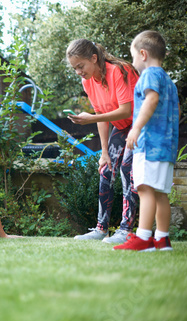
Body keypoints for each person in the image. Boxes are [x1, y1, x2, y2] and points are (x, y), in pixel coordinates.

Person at [66, 39, 140, 244]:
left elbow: (126, 110)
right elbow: (101, 114)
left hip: (140, 125)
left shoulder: (118, 71)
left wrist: (90, 118)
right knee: (106, 169)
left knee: (127, 169)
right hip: (122, 126)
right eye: (75, 68)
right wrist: (104, 152)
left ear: (94, 58)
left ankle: (126, 230)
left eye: (81, 66)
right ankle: (101, 229)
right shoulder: (87, 81)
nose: (78, 71)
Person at [114, 31, 179, 251]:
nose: (132, 63)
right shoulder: (169, 81)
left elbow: (151, 99)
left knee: (145, 189)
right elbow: (176, 113)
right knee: (160, 192)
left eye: (132, 57)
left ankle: (143, 237)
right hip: (166, 147)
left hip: (149, 145)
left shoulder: (150, 75)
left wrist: (136, 127)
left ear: (143, 54)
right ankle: (162, 239)